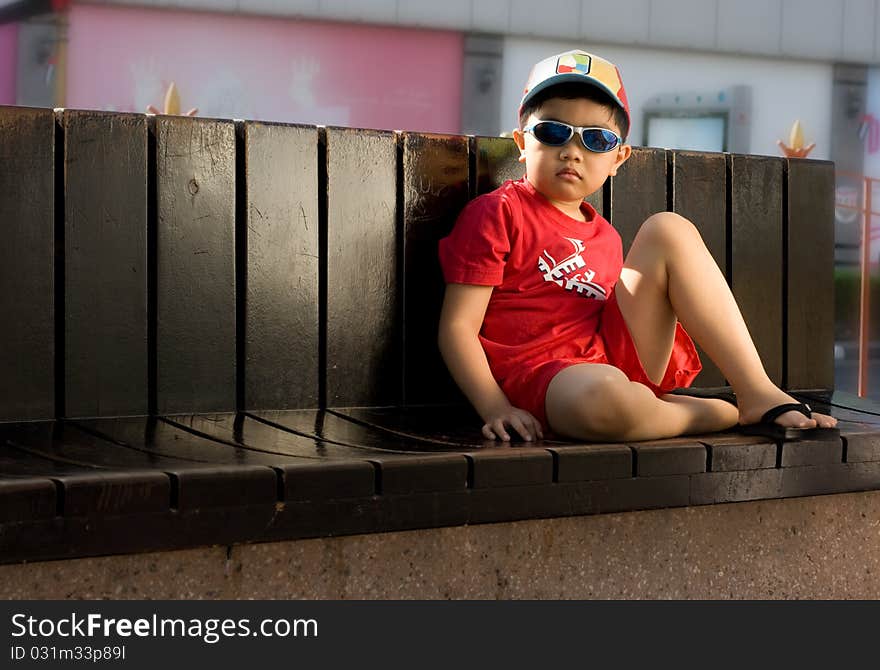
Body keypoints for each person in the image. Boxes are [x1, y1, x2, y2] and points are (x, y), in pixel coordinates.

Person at [437, 49, 838, 443]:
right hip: (546, 379)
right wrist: (495, 407)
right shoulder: (498, 213)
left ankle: (755, 390)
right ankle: (702, 414)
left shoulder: (605, 235)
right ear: (523, 142)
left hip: (615, 362)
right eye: (554, 131)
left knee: (668, 228)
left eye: (595, 139)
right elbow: (458, 327)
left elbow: (621, 321)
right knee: (604, 398)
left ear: (618, 158)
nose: (572, 150)